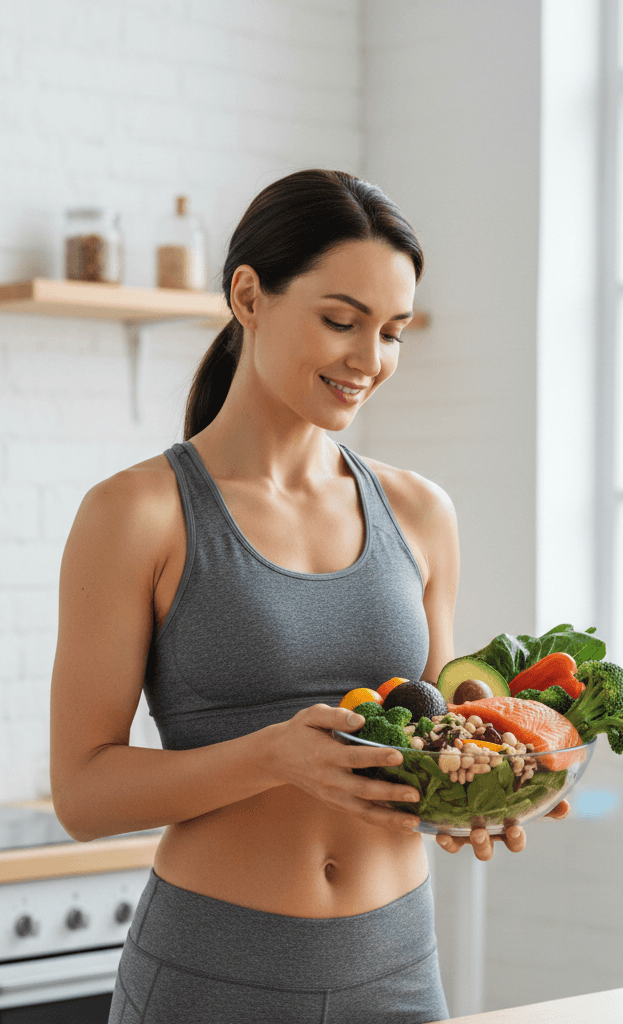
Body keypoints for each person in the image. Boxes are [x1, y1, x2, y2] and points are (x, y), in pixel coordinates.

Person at [49, 169, 567, 1024]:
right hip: (211, 979)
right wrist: (273, 755)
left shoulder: (420, 512)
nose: (370, 360)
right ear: (248, 296)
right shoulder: (137, 514)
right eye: (341, 321)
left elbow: (438, 737)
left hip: (397, 972)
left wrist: (493, 789)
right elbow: (82, 793)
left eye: (393, 332)